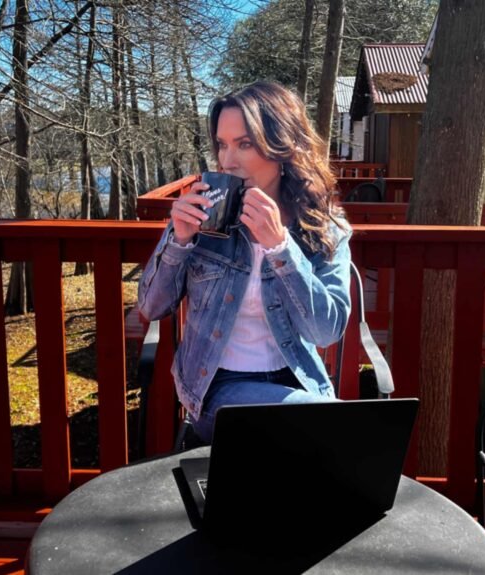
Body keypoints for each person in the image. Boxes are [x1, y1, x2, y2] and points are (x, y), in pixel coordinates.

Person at [137, 81, 351, 443]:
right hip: (215, 384)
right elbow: (151, 306)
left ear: (283, 147)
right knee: (324, 431)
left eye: (245, 144)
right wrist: (180, 239)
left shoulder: (322, 227)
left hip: (295, 380)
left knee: (306, 448)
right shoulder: (205, 217)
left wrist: (281, 247)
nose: (227, 161)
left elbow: (325, 332)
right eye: (222, 144)